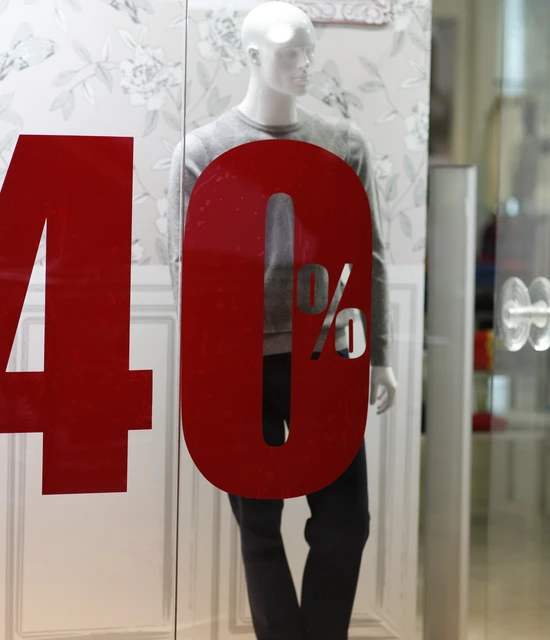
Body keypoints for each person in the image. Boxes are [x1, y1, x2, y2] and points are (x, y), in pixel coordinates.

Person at [166, 3, 396, 638]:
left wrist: (378, 353)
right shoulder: (203, 151)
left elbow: (370, 254)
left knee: (346, 521)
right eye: (290, 52)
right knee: (259, 524)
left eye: (308, 51)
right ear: (252, 56)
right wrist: (207, 370)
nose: (304, 65)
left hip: (324, 356)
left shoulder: (343, 145)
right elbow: (187, 268)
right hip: (242, 362)